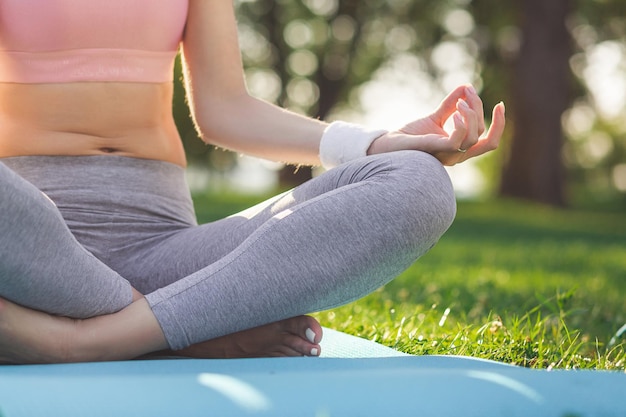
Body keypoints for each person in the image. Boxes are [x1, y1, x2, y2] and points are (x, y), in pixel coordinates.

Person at [0, 0, 505, 364]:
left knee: (418, 183)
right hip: (26, 247)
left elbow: (224, 110)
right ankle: (183, 330)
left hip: (165, 256)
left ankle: (82, 341)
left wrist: (374, 144)